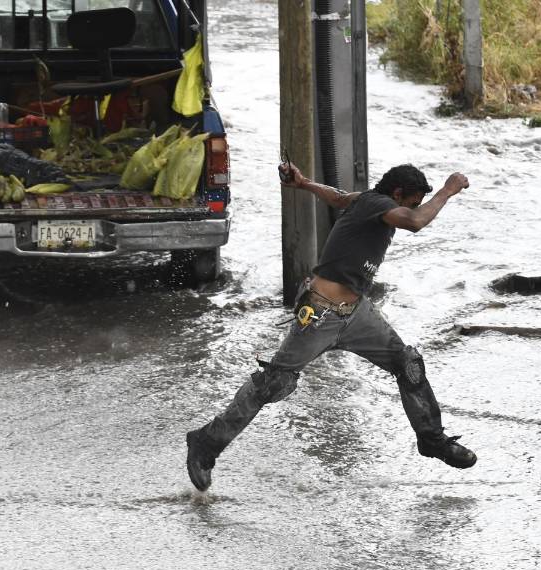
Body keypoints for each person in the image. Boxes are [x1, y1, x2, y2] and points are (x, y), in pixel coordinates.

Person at [184, 163, 476, 492]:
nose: (412, 208)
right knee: (274, 383)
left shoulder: (364, 202)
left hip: (356, 314)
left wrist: (304, 183)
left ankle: (432, 440)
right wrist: (447, 190)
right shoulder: (379, 204)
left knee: (407, 363)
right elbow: (415, 222)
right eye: (411, 202)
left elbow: (338, 198)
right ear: (397, 195)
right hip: (320, 314)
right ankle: (206, 442)